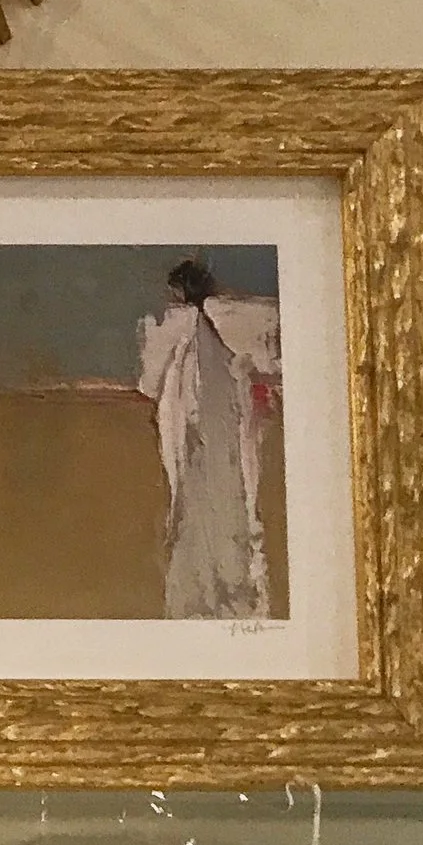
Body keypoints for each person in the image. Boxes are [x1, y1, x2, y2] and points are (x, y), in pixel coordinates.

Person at [135, 260, 281, 619]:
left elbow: (153, 385)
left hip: (200, 430)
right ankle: (226, 587)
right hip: (220, 429)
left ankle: (212, 590)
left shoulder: (185, 328)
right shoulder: (216, 326)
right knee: (228, 499)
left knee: (199, 500)